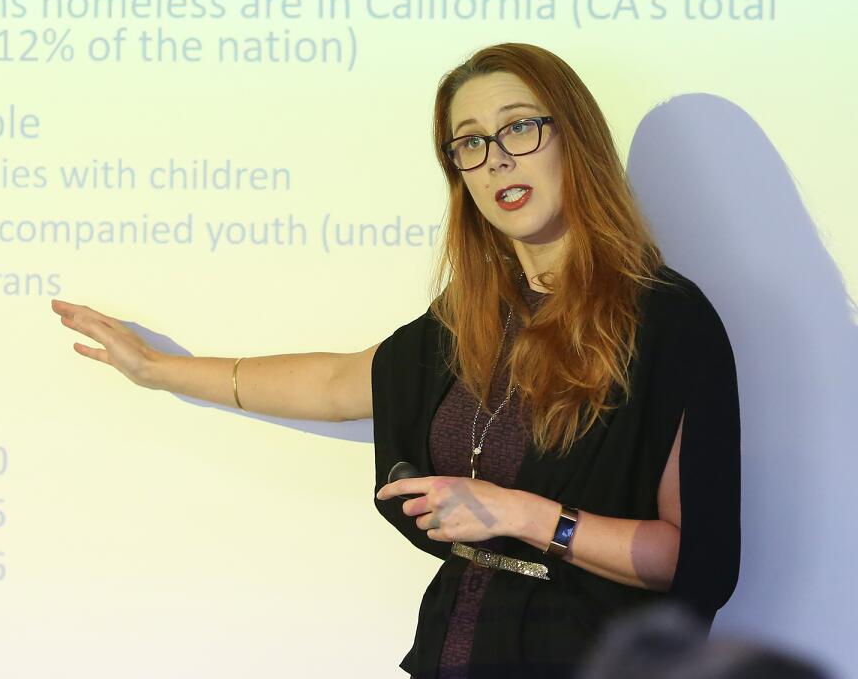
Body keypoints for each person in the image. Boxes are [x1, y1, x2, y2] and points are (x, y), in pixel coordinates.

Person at [50, 42, 742, 679]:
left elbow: (697, 562)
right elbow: (332, 382)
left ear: (576, 139)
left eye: (520, 127)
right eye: (471, 143)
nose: (497, 157)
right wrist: (157, 369)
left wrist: (523, 514)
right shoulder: (470, 316)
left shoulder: (666, 322)